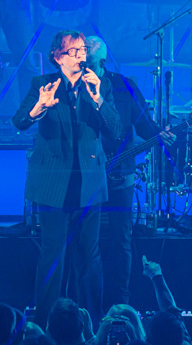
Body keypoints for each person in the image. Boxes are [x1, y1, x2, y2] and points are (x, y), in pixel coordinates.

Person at [12, 30, 121, 325]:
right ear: (58, 57)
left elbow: (115, 131)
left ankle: (91, 323)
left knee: (89, 256)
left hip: (89, 183)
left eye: (83, 50)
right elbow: (19, 121)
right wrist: (40, 107)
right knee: (53, 255)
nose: (81, 55)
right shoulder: (43, 84)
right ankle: (45, 324)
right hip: (53, 184)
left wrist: (97, 98)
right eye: (74, 51)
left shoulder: (99, 84)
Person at [82, 36, 173, 313]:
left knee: (121, 239)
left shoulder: (124, 86)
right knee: (87, 241)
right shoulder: (73, 87)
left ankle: (121, 304)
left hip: (121, 175)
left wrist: (160, 134)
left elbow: (144, 125)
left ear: (102, 62)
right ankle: (88, 304)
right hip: (87, 176)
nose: (83, 67)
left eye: (88, 63)